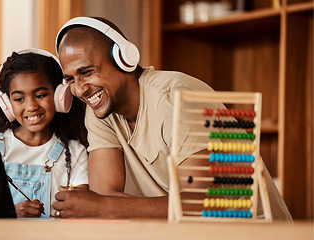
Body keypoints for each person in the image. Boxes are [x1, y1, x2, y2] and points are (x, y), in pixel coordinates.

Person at [52, 16, 292, 221]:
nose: (80, 90)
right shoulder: (101, 110)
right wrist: (100, 205)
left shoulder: (174, 96)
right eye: (71, 79)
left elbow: (200, 205)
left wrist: (101, 207)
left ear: (123, 58)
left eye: (87, 72)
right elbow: (106, 193)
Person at [0, 48, 88, 218]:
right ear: (7, 103)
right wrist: (10, 213)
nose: (32, 106)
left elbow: (81, 211)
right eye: (19, 99)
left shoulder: (75, 152)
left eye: (40, 95)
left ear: (59, 96)